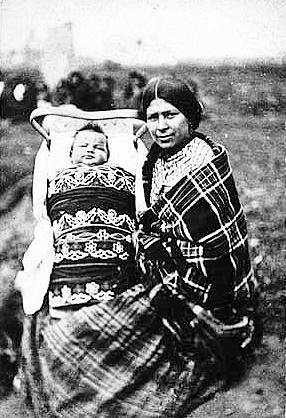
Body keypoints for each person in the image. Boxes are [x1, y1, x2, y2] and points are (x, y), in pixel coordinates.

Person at [135, 75, 261, 381]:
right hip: (175, 256)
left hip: (210, 267)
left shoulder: (202, 157)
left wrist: (157, 233)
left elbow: (211, 234)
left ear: (189, 116)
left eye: (170, 115)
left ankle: (220, 326)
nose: (161, 126)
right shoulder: (155, 158)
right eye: (153, 117)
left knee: (208, 336)